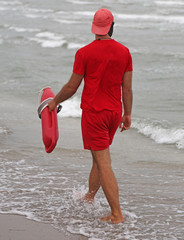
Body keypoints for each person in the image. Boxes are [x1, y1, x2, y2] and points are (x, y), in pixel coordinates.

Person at [48, 8, 133, 224]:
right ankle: (90, 197)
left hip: (95, 114)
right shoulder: (124, 52)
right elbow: (127, 89)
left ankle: (116, 214)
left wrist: (55, 101)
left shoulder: (84, 53)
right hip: (114, 113)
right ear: (111, 26)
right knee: (98, 157)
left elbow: (72, 86)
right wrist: (128, 114)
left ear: (94, 28)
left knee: (103, 161)